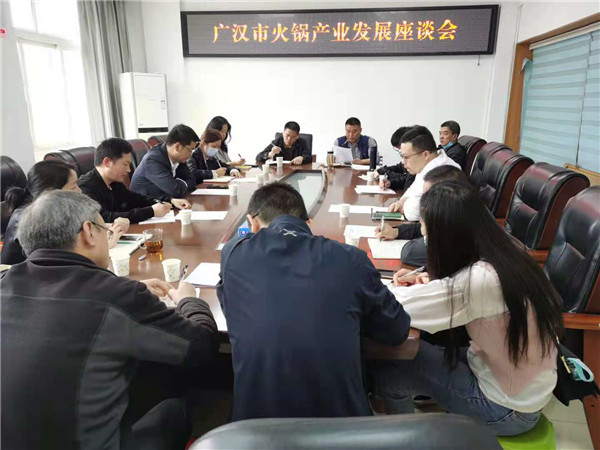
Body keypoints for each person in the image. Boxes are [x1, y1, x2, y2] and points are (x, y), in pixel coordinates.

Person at [1, 190, 219, 450]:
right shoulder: (118, 296)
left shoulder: (5, 282)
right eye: (104, 229)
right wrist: (189, 300)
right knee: (174, 408)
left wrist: (127, 289)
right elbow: (202, 346)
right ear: (88, 232)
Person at [375, 181, 563, 436]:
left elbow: (395, 306)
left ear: (446, 238)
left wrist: (367, 287)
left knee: (395, 367)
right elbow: (462, 290)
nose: (426, 242)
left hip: (506, 411)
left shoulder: (479, 281)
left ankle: (406, 440)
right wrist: (430, 281)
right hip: (519, 384)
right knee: (420, 352)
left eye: (426, 235)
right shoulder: (505, 250)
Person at [217, 182, 410, 421]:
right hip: (342, 428)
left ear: (252, 223)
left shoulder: (233, 254)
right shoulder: (351, 259)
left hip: (253, 428)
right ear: (308, 223)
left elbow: (231, 307)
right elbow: (397, 330)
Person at [1, 160, 126, 265]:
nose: (79, 191)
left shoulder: (52, 211)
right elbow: (59, 261)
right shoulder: (32, 219)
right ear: (53, 192)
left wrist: (108, 228)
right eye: (74, 186)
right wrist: (104, 246)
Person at [78, 138, 191, 224]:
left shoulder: (114, 183)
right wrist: (151, 211)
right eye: (125, 164)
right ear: (107, 162)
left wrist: (170, 200)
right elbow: (104, 218)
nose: (128, 170)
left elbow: (137, 199)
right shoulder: (85, 188)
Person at [376, 165, 469, 266]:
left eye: (427, 199)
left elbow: (409, 252)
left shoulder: (453, 243)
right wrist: (396, 232)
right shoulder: (457, 220)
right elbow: (421, 228)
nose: (422, 205)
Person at [387, 127, 460, 220]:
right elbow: (412, 189)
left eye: (406, 157)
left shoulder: (443, 171)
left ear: (425, 154)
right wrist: (401, 202)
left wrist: (404, 206)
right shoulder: (429, 163)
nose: (403, 162)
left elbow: (413, 213)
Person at [130, 124, 198, 198]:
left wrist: (178, 184)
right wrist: (180, 184)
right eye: (190, 150)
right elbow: (176, 190)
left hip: (166, 201)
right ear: (178, 146)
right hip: (147, 203)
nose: (190, 155)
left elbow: (192, 181)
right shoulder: (153, 160)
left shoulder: (179, 158)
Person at [377, 125, 433, 191]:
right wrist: (390, 183)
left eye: (406, 157)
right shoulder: (419, 169)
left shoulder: (433, 175)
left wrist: (382, 172)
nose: (403, 162)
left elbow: (406, 180)